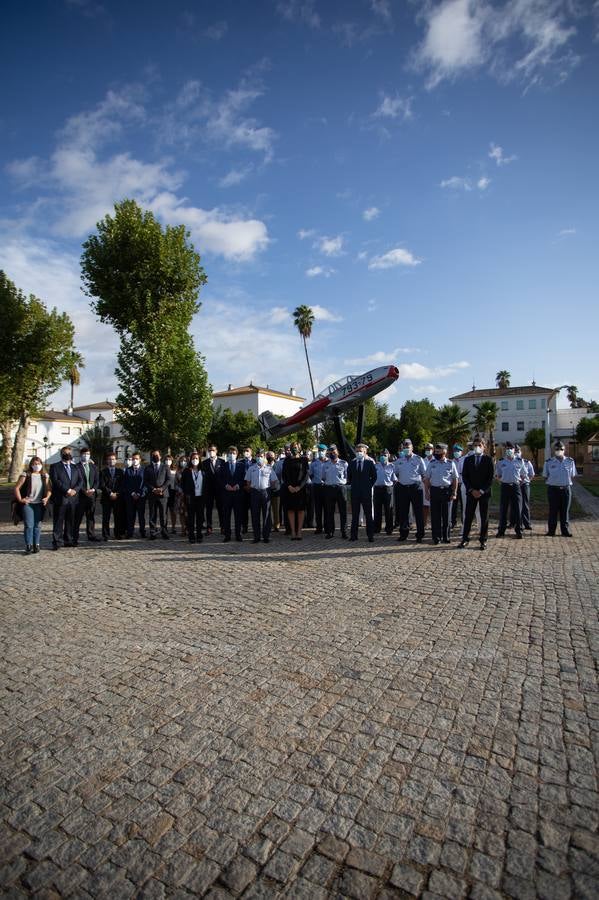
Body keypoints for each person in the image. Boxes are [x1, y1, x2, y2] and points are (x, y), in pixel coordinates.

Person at [458, 436, 494, 550]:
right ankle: (465, 539)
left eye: (479, 445)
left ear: (484, 447)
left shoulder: (488, 460)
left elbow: (490, 478)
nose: (477, 447)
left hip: (484, 493)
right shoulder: (468, 460)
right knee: (468, 516)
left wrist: (482, 491)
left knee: (484, 517)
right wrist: (471, 490)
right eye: (475, 445)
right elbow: (465, 476)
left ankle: (483, 540)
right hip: (471, 493)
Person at [13, 457, 51, 553]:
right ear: (31, 465)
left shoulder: (44, 475)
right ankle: (28, 544)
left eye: (38, 463)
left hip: (39, 504)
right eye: (34, 464)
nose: (36, 465)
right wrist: (20, 499)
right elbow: (16, 488)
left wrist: (46, 498)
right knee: (29, 525)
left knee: (37, 525)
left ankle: (36, 544)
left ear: (41, 464)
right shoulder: (26, 475)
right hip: (28, 504)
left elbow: (48, 489)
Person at [49, 446, 84, 550]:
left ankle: (69, 540)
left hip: (73, 499)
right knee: (58, 521)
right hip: (61, 498)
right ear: (61, 454)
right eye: (65, 453)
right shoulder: (55, 466)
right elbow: (55, 480)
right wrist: (67, 490)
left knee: (70, 520)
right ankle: (57, 541)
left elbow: (80, 481)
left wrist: (75, 490)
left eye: (69, 453)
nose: (67, 454)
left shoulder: (75, 467)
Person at [424, 443, 458, 544]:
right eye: (436, 451)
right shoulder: (432, 463)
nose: (436, 453)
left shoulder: (450, 463)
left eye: (439, 452)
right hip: (435, 491)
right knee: (435, 516)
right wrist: (427, 492)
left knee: (446, 516)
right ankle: (436, 537)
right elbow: (427, 479)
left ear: (445, 451)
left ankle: (446, 537)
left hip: (446, 491)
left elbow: (455, 479)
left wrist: (454, 492)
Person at [394, 439, 427, 543]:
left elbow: (424, 474)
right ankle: (403, 534)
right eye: (404, 447)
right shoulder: (399, 461)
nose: (406, 449)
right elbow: (395, 473)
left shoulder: (418, 459)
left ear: (412, 448)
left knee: (418, 512)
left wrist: (425, 488)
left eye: (408, 447)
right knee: (403, 512)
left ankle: (420, 535)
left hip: (415, 487)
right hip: (403, 488)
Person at [542, 440, 577, 537]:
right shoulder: (548, 462)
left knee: (565, 511)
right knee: (553, 510)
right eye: (557, 449)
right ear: (554, 450)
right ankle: (551, 531)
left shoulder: (570, 461)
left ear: (564, 450)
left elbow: (572, 475)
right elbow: (545, 476)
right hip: (553, 490)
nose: (559, 450)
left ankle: (565, 531)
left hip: (566, 489)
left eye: (561, 449)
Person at [245, 449, 280, 542]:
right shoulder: (251, 468)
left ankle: (266, 536)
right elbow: (247, 481)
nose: (259, 458)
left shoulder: (269, 468)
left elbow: (275, 481)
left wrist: (270, 488)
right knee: (255, 515)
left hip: (266, 492)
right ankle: (256, 536)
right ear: (256, 457)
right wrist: (251, 489)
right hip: (254, 492)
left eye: (261, 456)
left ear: (264, 458)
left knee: (267, 515)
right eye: (258, 456)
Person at [495, 442, 527, 538]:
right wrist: (503, 481)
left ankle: (519, 530)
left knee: (518, 509)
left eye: (510, 448)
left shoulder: (520, 461)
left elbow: (523, 475)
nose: (509, 450)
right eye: (507, 448)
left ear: (514, 450)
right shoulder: (501, 461)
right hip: (505, 487)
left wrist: (517, 483)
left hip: (515, 487)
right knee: (503, 509)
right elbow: (498, 475)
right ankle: (501, 530)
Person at [347, 443, 377, 542]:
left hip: (366, 492)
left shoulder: (369, 463)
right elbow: (349, 477)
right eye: (357, 451)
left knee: (368, 514)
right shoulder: (352, 463)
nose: (359, 452)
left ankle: (370, 535)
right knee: (355, 515)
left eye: (361, 451)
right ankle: (353, 535)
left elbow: (374, 477)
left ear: (365, 452)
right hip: (355, 492)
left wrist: (368, 486)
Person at [218, 446, 246, 542]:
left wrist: (238, 485)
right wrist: (226, 485)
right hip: (226, 494)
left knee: (238, 515)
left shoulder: (241, 465)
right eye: (230, 453)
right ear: (227, 454)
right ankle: (227, 535)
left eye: (233, 453)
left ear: (237, 454)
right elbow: (220, 479)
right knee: (226, 515)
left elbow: (244, 479)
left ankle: (238, 534)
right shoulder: (223, 465)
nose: (232, 455)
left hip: (238, 494)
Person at [282, 443, 309, 539]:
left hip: (300, 489)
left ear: (300, 448)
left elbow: (306, 475)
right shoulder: (286, 460)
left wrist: (299, 487)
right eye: (292, 448)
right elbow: (284, 475)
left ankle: (299, 532)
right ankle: (293, 532)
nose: (294, 449)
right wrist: (289, 486)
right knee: (291, 510)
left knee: (301, 510)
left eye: (296, 448)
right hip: (289, 489)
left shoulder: (304, 460)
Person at [74, 445, 100, 545]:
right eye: (84, 454)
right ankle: (74, 537)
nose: (86, 456)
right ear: (80, 455)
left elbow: (97, 480)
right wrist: (83, 490)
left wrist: (93, 489)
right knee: (78, 517)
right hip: (80, 496)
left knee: (91, 517)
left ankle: (91, 535)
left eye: (88, 454)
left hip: (91, 496)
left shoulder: (93, 467)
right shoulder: (76, 467)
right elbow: (76, 481)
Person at [323, 445, 348, 539]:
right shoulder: (325, 464)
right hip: (329, 488)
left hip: (340, 488)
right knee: (329, 512)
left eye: (334, 452)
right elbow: (323, 477)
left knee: (343, 511)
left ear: (337, 452)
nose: (332, 454)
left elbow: (347, 476)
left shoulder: (344, 463)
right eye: (330, 453)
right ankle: (330, 531)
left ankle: (344, 531)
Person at [144, 450, 170, 540]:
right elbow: (146, 481)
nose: (155, 456)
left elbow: (168, 479)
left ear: (160, 456)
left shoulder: (165, 466)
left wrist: (162, 488)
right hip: (152, 494)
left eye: (157, 455)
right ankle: (153, 532)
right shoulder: (148, 468)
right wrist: (153, 489)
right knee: (152, 514)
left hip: (163, 494)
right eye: (153, 455)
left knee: (163, 514)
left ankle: (164, 531)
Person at [99, 450, 124, 541]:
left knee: (118, 516)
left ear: (116, 460)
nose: (111, 461)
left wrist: (116, 493)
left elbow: (122, 485)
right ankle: (105, 534)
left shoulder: (120, 472)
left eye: (113, 459)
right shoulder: (103, 472)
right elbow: (102, 485)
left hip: (117, 498)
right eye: (109, 459)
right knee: (106, 517)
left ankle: (118, 533)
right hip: (106, 497)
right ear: (106, 461)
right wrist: (110, 493)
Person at [181, 450, 204, 542]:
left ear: (199, 460)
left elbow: (206, 484)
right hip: (190, 498)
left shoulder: (203, 471)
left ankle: (199, 535)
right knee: (190, 518)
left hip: (201, 497)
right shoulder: (186, 471)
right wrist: (187, 494)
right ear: (190, 460)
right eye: (193, 458)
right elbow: (183, 484)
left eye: (197, 458)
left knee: (200, 518)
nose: (195, 460)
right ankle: (191, 536)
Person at [123, 452, 146, 538]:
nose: (134, 460)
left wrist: (139, 493)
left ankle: (142, 531)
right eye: (133, 459)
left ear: (140, 460)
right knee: (130, 515)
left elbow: (145, 483)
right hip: (130, 497)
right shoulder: (127, 470)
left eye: (136, 459)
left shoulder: (144, 470)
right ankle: (130, 532)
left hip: (141, 497)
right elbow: (125, 484)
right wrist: (132, 493)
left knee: (141, 516)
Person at [202, 444, 224, 535]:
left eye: (213, 450)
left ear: (216, 451)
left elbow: (224, 476)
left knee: (221, 509)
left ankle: (223, 527)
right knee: (209, 509)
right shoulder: (204, 463)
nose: (211, 452)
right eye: (210, 450)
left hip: (219, 489)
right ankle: (209, 527)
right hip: (208, 489)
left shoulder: (222, 462)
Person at [373, 449, 396, 535]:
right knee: (377, 509)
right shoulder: (375, 466)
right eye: (382, 455)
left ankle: (389, 528)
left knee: (388, 510)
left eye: (385, 455)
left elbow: (395, 479)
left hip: (388, 489)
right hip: (377, 489)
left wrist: (390, 487)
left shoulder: (392, 466)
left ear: (388, 456)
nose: (383, 457)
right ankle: (377, 528)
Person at [515, 444, 535, 531]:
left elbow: (531, 474)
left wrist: (527, 481)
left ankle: (527, 523)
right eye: (515, 451)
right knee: (515, 505)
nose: (516, 453)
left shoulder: (526, 462)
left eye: (518, 451)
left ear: (521, 452)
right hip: (515, 486)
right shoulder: (511, 462)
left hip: (525, 485)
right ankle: (516, 523)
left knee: (525, 505)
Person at [309, 444, 328, 534]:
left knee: (327, 508)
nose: (321, 452)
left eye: (322, 450)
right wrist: (315, 481)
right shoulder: (314, 463)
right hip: (317, 486)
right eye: (319, 450)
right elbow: (310, 474)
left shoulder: (329, 462)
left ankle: (327, 526)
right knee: (318, 508)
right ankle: (319, 527)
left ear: (326, 451)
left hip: (326, 487)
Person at [450, 444, 464, 529]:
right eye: (455, 451)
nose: (456, 453)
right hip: (453, 486)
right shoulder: (450, 462)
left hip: (463, 485)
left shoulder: (465, 460)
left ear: (461, 452)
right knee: (453, 506)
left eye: (458, 451)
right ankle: (453, 522)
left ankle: (463, 522)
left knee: (463, 505)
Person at [240, 446, 254, 533]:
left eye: (247, 451)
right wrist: (244, 486)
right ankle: (244, 527)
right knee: (243, 510)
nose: (246, 452)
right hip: (243, 489)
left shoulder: (255, 462)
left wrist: (251, 486)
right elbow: (238, 476)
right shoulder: (240, 463)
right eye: (244, 451)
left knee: (254, 510)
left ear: (251, 452)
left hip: (253, 489)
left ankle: (254, 526)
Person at [421, 442, 434, 531]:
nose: (428, 451)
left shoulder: (436, 460)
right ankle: (424, 524)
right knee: (425, 506)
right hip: (424, 485)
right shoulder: (422, 460)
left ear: (433, 450)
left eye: (429, 449)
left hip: (434, 485)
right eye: (426, 449)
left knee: (434, 507)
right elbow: (421, 472)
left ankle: (434, 524)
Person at [164, 453, 177, 534]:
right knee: (164, 511)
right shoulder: (162, 469)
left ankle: (173, 527)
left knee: (173, 511)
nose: (168, 461)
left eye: (169, 460)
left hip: (173, 492)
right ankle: (164, 527)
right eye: (166, 460)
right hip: (164, 491)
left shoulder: (175, 470)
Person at [175, 456, 188, 535]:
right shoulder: (178, 471)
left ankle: (188, 528)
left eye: (185, 460)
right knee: (181, 513)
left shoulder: (190, 470)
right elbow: (175, 484)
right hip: (180, 495)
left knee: (188, 513)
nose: (183, 462)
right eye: (182, 461)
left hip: (188, 495)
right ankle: (183, 528)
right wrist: (180, 490)